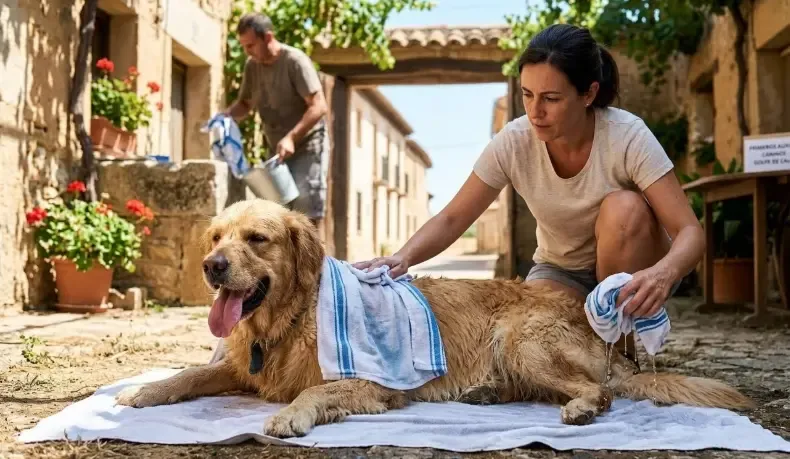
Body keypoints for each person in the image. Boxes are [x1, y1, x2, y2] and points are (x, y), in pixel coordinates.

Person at [353, 23, 704, 324]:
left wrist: (662, 275)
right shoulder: (515, 141)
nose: (536, 111)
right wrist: (402, 257)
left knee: (624, 208)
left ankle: (622, 350)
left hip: (635, 268)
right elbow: (452, 217)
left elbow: (689, 231)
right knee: (528, 334)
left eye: (551, 98)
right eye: (527, 94)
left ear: (588, 94)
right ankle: (595, 341)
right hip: (561, 271)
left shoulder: (627, 136)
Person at [224, 12, 329, 227]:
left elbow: (319, 106)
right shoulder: (252, 66)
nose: (247, 52)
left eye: (251, 45)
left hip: (306, 146)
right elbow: (244, 105)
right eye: (244, 46)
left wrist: (291, 137)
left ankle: (314, 261)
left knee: (305, 213)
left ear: (268, 38)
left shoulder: (295, 61)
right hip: (276, 152)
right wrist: (223, 118)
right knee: (278, 215)